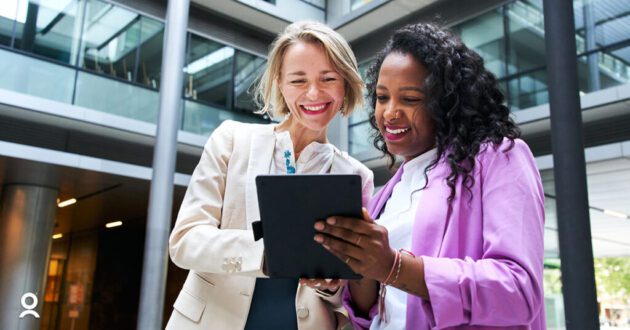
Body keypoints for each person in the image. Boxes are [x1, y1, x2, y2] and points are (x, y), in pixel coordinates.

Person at [312, 23, 545, 329]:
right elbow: (377, 305)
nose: (390, 113)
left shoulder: (499, 157)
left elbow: (519, 291)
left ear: (447, 103)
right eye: (382, 98)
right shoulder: (390, 190)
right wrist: (356, 263)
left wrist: (394, 266)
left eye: (409, 99)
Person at [166, 21, 374, 330]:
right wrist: (270, 254)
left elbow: (348, 289)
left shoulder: (358, 176)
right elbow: (185, 241)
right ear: (279, 82)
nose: (314, 93)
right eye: (298, 80)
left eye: (328, 78)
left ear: (345, 83)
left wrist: (330, 285)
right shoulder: (231, 140)